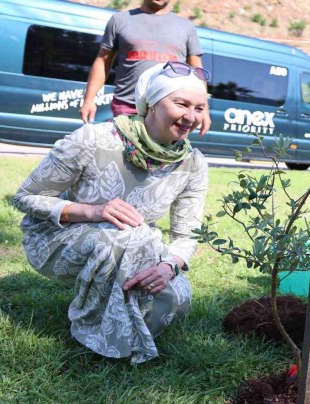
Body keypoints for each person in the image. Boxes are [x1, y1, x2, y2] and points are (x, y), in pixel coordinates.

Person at [14, 62, 209, 363]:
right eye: (180, 104)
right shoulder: (93, 139)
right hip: (58, 238)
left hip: (133, 242)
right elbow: (27, 197)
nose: (190, 117)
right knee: (120, 239)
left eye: (199, 108)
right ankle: (94, 334)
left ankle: (123, 324)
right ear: (152, 103)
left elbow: (186, 236)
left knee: (177, 295)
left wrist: (168, 267)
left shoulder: (192, 163)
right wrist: (94, 211)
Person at [79, 0, 210, 136]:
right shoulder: (120, 20)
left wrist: (204, 109)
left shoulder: (186, 27)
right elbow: (102, 61)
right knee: (124, 155)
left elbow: (197, 70)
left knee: (165, 155)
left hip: (168, 111)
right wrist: (89, 99)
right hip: (127, 106)